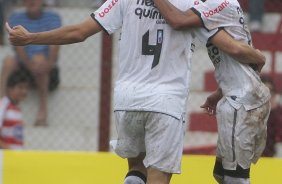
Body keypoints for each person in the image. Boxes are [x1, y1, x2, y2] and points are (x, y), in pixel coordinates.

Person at [5, 0, 266, 183]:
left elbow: (79, 32)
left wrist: (30, 38)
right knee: (158, 175)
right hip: (166, 101)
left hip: (127, 98)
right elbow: (228, 46)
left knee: (136, 168)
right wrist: (255, 55)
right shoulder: (191, 4)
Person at [152, 0, 271, 183]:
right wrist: (220, 91)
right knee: (221, 174)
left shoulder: (217, 3)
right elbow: (237, 54)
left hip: (242, 101)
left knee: (235, 178)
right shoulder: (214, 9)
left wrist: (258, 56)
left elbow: (177, 20)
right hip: (240, 95)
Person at [0, 0, 61, 126]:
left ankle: (43, 110)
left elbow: (55, 46)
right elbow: (18, 48)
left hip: (45, 65)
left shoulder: (53, 17)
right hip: (24, 63)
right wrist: (31, 65)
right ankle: (2, 105)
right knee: (8, 61)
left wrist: (46, 64)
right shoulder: (16, 18)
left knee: (39, 60)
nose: (31, 1)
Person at [0, 70, 29, 149]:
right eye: (20, 87)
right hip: (5, 157)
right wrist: (8, 151)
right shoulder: (3, 106)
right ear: (10, 89)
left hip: (15, 157)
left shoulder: (17, 108)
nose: (24, 91)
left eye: (26, 88)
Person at [260, 75, 282, 157]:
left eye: (270, 91)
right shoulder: (251, 112)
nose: (268, 95)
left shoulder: (278, 111)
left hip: (274, 155)